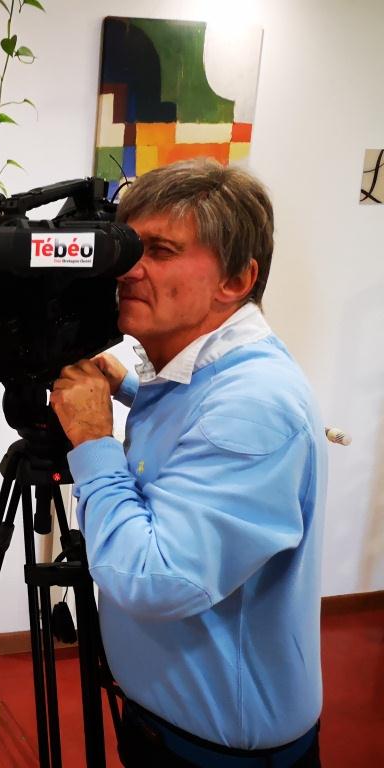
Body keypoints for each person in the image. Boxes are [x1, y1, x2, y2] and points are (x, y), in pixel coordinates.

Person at [50, 158, 326, 767]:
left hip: (218, 754)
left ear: (236, 279)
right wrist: (130, 390)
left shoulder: (252, 405)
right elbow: (190, 433)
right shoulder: (208, 373)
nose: (128, 269)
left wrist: (94, 441)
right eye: (128, 247)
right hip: (172, 728)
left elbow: (157, 577)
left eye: (161, 250)